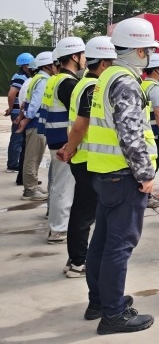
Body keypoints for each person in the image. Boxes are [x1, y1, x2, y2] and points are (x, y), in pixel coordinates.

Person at [84, 17, 157, 334]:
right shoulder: (126, 82)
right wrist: (145, 174)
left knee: (101, 243)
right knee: (119, 246)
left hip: (105, 173)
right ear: (140, 51)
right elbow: (131, 134)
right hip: (124, 176)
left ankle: (99, 302)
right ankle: (113, 314)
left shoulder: (107, 77)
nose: (150, 55)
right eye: (148, 50)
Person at [57, 36, 117, 278]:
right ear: (103, 64)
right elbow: (81, 126)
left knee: (83, 210)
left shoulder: (82, 84)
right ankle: (78, 261)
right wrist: (69, 148)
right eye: (111, 63)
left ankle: (76, 256)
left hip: (82, 156)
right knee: (85, 212)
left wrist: (70, 147)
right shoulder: (93, 88)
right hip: (87, 159)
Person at [42, 36, 86, 244]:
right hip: (64, 141)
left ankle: (56, 222)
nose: (85, 59)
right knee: (64, 185)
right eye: (83, 55)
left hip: (55, 137)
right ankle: (58, 228)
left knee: (58, 182)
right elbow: (79, 116)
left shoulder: (55, 79)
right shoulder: (69, 83)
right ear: (75, 57)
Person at [17, 51, 57, 201]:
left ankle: (32, 185)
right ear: (47, 66)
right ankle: (30, 190)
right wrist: (26, 120)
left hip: (34, 123)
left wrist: (22, 118)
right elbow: (34, 105)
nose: (56, 67)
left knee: (33, 156)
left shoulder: (37, 79)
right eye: (54, 64)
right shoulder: (44, 81)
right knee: (33, 157)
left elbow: (25, 102)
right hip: (36, 123)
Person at [141, 53, 159, 209]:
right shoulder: (155, 88)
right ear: (157, 70)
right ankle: (147, 197)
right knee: (152, 167)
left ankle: (144, 196)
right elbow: (158, 112)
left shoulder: (142, 84)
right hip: (153, 134)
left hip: (142, 132)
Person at [5, 52, 34, 173]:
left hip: (19, 111)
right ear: (25, 66)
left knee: (19, 139)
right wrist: (11, 108)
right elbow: (11, 94)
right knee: (17, 139)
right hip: (18, 112)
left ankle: (15, 163)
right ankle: (12, 165)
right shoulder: (20, 77)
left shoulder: (24, 76)